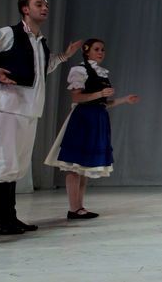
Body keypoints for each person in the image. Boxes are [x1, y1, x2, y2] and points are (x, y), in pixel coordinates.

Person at [0, 0, 82, 235]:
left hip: (30, 108)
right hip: (9, 104)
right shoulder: (8, 33)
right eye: (39, 4)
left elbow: (41, 69)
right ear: (25, 9)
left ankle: (9, 217)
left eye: (46, 4)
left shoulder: (40, 41)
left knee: (18, 164)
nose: (45, 7)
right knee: (5, 161)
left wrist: (65, 56)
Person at [44, 38, 139, 219]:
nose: (101, 52)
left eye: (102, 49)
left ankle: (79, 207)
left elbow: (103, 103)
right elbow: (77, 98)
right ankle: (74, 208)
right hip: (83, 119)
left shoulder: (101, 73)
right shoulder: (79, 70)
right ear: (86, 50)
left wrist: (124, 100)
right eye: (97, 49)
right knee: (74, 165)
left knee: (83, 167)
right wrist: (100, 93)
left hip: (97, 119)